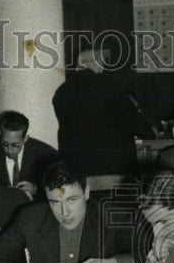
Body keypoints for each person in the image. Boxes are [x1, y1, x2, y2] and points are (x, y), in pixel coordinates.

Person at [0, 161, 135, 263]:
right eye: (55, 202)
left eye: (72, 200)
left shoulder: (111, 215)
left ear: (86, 193)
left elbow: (151, 253)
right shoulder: (31, 218)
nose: (65, 212)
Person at [52, 48, 158, 176]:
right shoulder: (109, 85)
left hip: (75, 165)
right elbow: (132, 120)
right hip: (112, 165)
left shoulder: (61, 90)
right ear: (95, 63)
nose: (103, 68)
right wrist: (150, 133)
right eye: (103, 63)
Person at [0, 110, 61, 198]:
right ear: (0, 134)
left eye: (15, 145)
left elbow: (59, 189)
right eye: (5, 144)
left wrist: (36, 189)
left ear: (25, 138)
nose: (9, 150)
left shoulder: (47, 155)